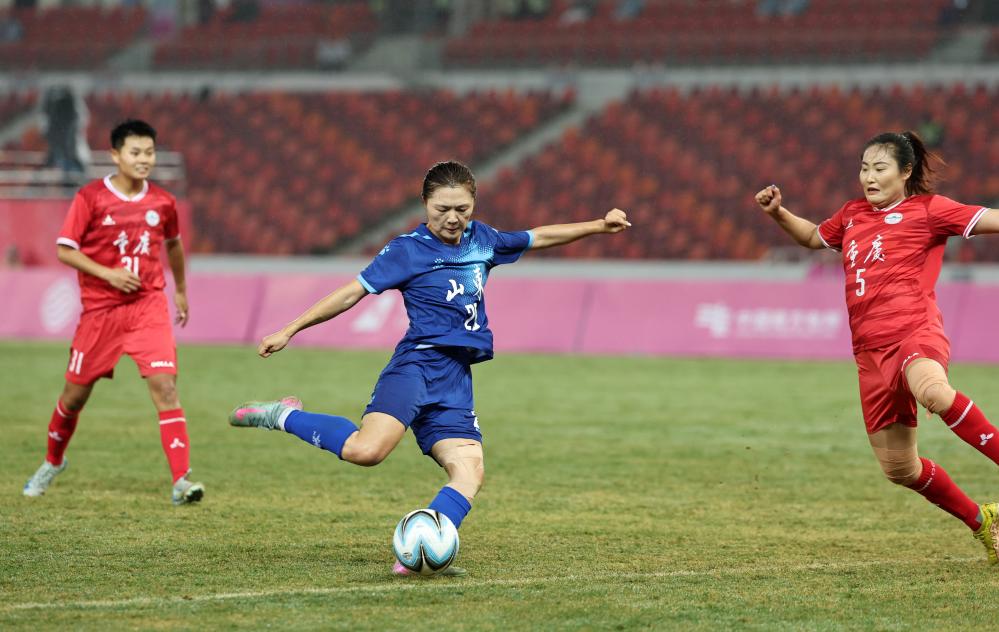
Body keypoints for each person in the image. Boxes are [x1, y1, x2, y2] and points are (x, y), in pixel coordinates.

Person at [230, 160, 630, 575]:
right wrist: (290, 329)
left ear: (473, 204)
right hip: (417, 367)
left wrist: (599, 226)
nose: (453, 218)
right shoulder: (407, 250)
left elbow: (538, 236)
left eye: (462, 209)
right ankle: (283, 415)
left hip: (456, 378)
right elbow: (351, 293)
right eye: (442, 209)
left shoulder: (483, 240)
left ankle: (420, 552)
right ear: (424, 204)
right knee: (367, 452)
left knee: (470, 473)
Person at [755, 130, 999, 564]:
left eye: (879, 168)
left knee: (934, 392)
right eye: (864, 168)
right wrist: (778, 213)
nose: (869, 176)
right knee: (900, 469)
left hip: (914, 331)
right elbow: (812, 237)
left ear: (905, 172)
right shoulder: (852, 215)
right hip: (869, 353)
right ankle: (984, 522)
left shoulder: (930, 210)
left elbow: (991, 219)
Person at [22, 119, 204, 506]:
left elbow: (173, 245)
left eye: (149, 152)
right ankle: (52, 462)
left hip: (146, 306)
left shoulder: (163, 202)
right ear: (116, 155)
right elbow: (65, 250)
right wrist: (108, 274)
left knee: (166, 388)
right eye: (135, 152)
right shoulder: (90, 198)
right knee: (73, 398)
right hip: (101, 311)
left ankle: (181, 480)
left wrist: (181, 290)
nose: (144, 160)